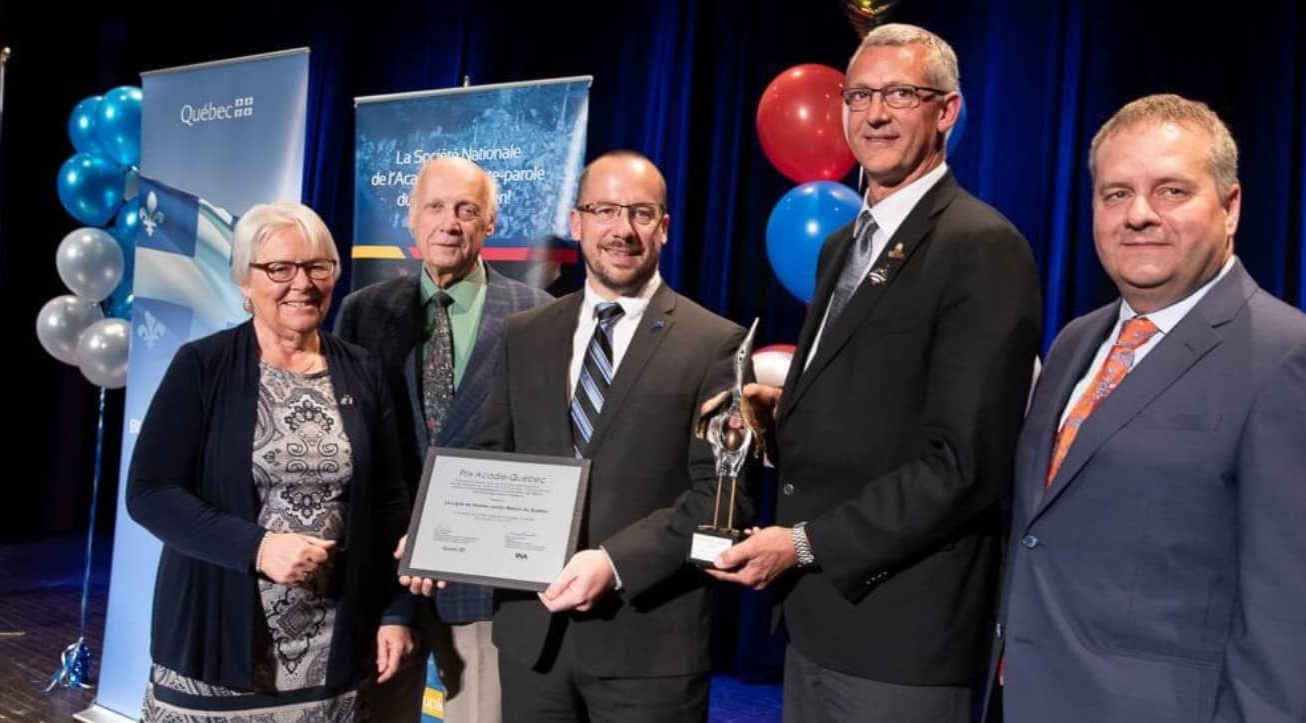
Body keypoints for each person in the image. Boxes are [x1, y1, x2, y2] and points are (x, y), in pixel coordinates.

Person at [706, 23, 1042, 723]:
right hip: (817, 619)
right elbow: (874, 395)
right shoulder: (841, 245)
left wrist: (800, 542)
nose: (875, 114)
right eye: (858, 96)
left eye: (898, 94)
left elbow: (962, 465)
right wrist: (782, 409)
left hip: (906, 636)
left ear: (945, 111)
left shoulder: (981, 247)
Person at [991, 94, 1306, 723]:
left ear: (1231, 206)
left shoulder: (1285, 356)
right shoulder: (1076, 341)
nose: (1138, 215)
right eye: (1115, 194)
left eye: (1170, 192)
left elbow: (1286, 621)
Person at [463, 150, 748, 721]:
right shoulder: (526, 333)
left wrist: (614, 562)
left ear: (664, 228)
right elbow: (492, 456)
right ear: (577, 223)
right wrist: (447, 530)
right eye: (604, 210)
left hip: (647, 651)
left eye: (641, 213)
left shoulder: (715, 342)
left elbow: (722, 500)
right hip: (533, 641)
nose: (622, 230)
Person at [127, 202, 412, 722]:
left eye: (317, 267)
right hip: (215, 637)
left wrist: (395, 610)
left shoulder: (363, 369)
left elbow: (390, 503)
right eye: (280, 269)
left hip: (331, 648)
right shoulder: (203, 366)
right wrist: (258, 548)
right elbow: (149, 493)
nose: (301, 283)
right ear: (245, 282)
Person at [334, 154, 551, 723]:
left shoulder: (540, 316)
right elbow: (351, 448)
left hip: (483, 584)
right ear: (411, 219)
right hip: (387, 578)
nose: (448, 223)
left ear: (490, 224)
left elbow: (545, 452)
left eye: (466, 210)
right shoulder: (362, 313)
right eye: (434, 207)